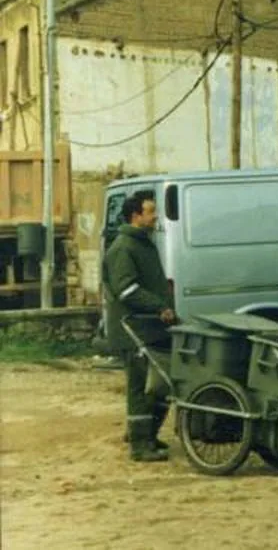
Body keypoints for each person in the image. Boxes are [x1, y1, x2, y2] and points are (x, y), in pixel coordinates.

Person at [102, 190, 177, 461]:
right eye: (151, 211)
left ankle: (145, 434)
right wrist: (159, 306)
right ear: (136, 216)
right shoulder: (123, 248)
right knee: (139, 386)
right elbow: (127, 290)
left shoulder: (142, 243)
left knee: (158, 385)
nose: (155, 216)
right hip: (131, 329)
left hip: (148, 327)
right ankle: (139, 445)